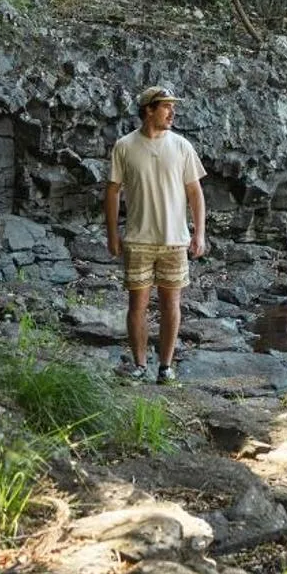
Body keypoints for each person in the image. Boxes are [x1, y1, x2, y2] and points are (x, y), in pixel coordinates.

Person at [105, 86, 206, 382]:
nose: (172, 112)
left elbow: (195, 192)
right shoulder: (125, 146)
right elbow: (112, 191)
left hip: (175, 240)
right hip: (138, 240)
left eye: (173, 107)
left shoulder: (182, 146)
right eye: (166, 107)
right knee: (137, 305)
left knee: (171, 304)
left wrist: (199, 233)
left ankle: (165, 366)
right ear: (149, 110)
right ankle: (139, 365)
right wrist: (112, 234)